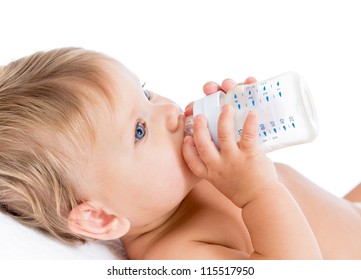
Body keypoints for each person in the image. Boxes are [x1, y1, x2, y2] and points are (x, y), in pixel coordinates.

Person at [0, 48, 360, 260]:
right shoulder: (175, 253)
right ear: (100, 219)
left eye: (146, 93)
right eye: (139, 131)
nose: (170, 112)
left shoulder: (189, 180)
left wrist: (254, 119)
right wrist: (258, 192)